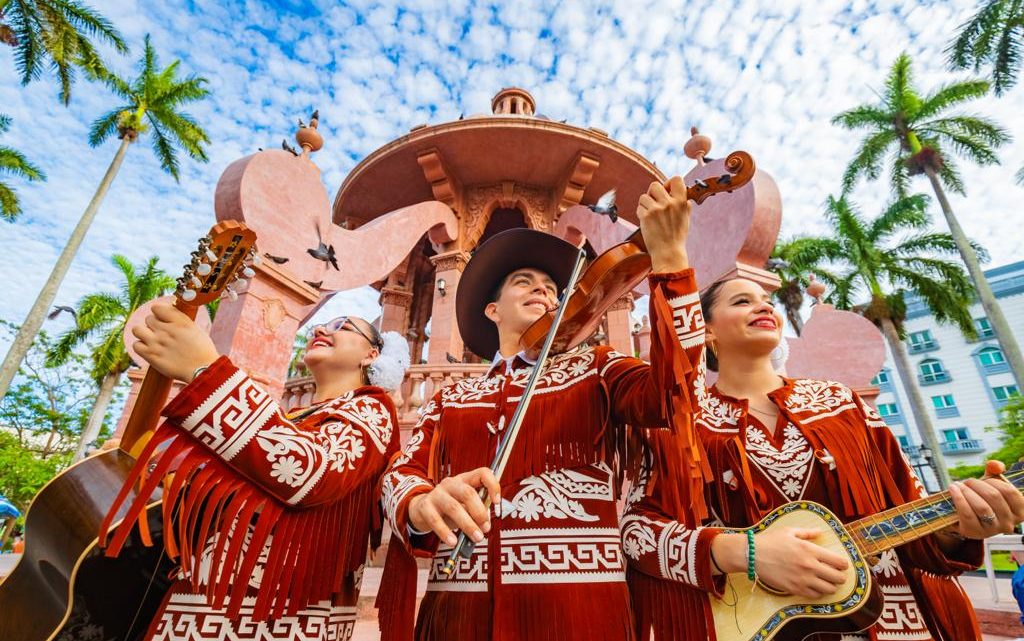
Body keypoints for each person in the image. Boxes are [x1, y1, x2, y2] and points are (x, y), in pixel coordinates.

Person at [375, 178, 707, 641]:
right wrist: (420, 503)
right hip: (458, 617)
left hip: (580, 615)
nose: (544, 292)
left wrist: (670, 261)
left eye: (553, 287)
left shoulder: (598, 367)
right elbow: (400, 472)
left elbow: (680, 395)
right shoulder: (451, 397)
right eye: (523, 282)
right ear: (492, 311)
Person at [621, 275, 1024, 640]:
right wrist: (740, 551)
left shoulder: (841, 402)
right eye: (742, 301)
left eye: (766, 300)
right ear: (706, 331)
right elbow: (638, 534)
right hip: (758, 627)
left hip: (887, 622)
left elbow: (910, 512)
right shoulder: (682, 423)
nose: (764, 307)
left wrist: (964, 525)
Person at [103, 308, 409, 641]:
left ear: (371, 354)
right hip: (202, 605)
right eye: (322, 323)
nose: (321, 328)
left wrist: (207, 372)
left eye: (342, 326)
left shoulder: (373, 409)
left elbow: (309, 472)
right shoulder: (287, 418)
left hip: (275, 619)